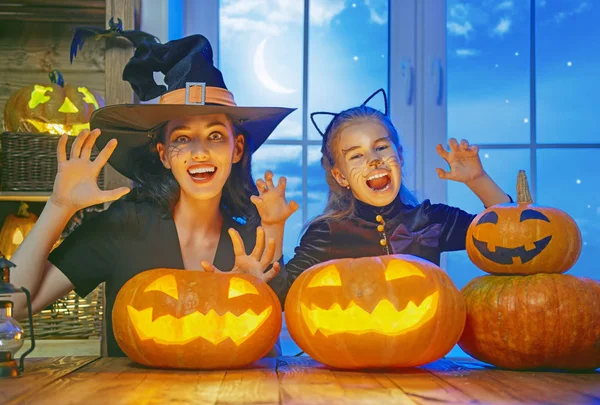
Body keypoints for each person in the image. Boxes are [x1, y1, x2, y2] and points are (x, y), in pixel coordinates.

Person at [11, 34, 298, 357]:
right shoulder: (122, 226)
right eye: (182, 138)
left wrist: (256, 293)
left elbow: (268, 359)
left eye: (215, 135)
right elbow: (14, 306)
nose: (199, 151)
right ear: (163, 155)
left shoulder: (249, 237)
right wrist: (59, 206)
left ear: (237, 149)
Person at [284, 89, 512, 277]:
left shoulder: (432, 219)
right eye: (356, 155)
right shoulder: (327, 232)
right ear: (340, 177)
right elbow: (281, 297)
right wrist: (274, 227)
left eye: (381, 147)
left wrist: (478, 180)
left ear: (400, 156)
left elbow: (509, 239)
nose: (374, 160)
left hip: (426, 330)